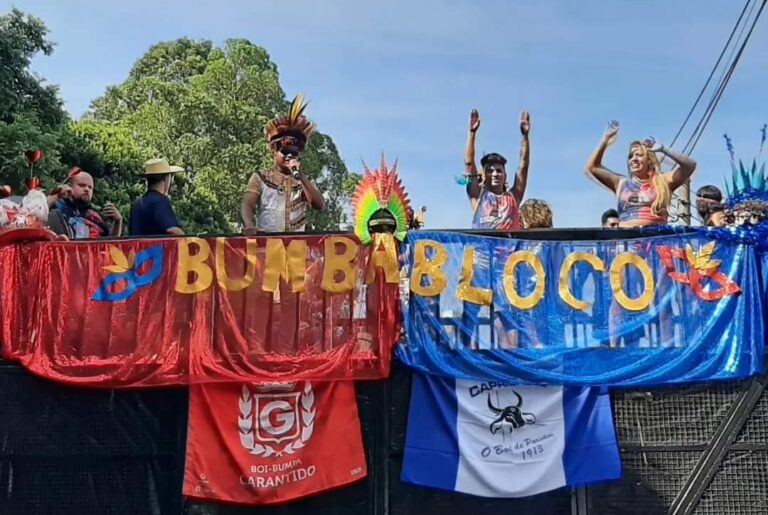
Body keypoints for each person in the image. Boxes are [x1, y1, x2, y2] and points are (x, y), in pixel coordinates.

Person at [585, 121, 696, 227]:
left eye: (638, 155)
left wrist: (663, 149)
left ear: (649, 160)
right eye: (630, 156)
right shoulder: (620, 183)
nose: (633, 159)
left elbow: (690, 166)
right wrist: (605, 140)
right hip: (627, 242)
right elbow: (593, 167)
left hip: (656, 240)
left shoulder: (662, 181)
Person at [241, 95, 325, 234]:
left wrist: (300, 176)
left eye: (294, 153)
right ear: (274, 151)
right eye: (285, 152)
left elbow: (319, 205)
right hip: (267, 248)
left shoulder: (304, 181)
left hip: (297, 249)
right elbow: (248, 204)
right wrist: (249, 225)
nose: (289, 156)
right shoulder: (260, 178)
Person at [464, 108, 531, 230]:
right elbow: (469, 164)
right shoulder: (478, 196)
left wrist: (525, 137)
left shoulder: (513, 197)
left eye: (499, 171)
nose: (495, 174)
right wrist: (472, 133)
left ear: (505, 175)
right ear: (484, 175)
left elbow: (523, 168)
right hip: (482, 249)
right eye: (490, 171)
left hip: (510, 249)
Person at [47, 167, 122, 239]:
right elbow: (37, 213)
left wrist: (118, 221)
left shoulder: (94, 217)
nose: (86, 189)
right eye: (82, 185)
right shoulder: (56, 207)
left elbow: (109, 242)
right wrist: (56, 195)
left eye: (90, 187)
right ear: (70, 186)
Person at [128, 158, 184, 236]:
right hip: (157, 248)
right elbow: (172, 230)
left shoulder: (136, 203)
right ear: (166, 178)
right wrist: (187, 240)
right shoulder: (160, 201)